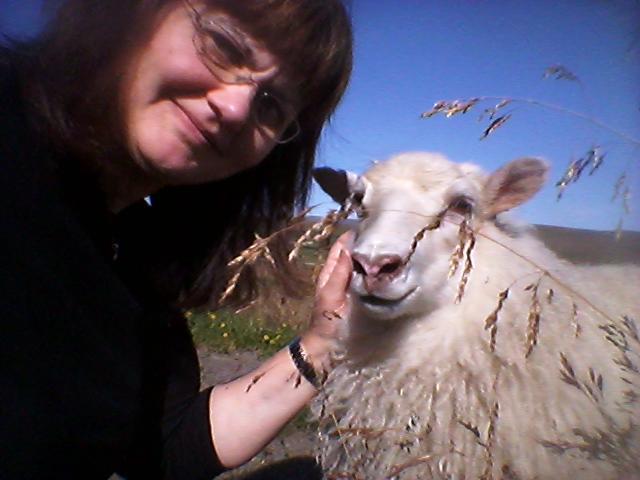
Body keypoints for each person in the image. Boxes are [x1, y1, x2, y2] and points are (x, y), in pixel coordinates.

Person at [0, 0, 353, 478]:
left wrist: (324, 340)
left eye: (271, 106)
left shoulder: (131, 255)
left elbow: (163, 443)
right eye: (222, 45)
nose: (235, 107)